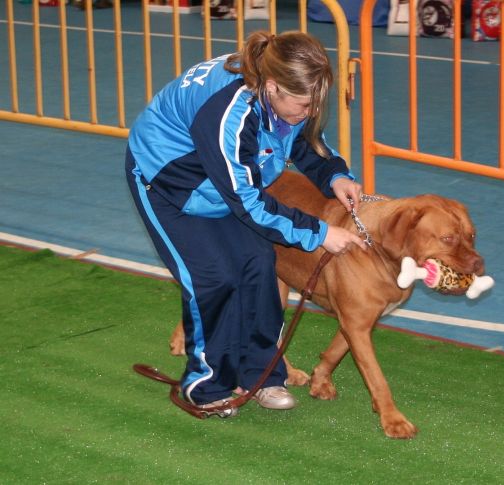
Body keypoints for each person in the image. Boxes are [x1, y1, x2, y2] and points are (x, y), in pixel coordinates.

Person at [125, 30, 367, 414]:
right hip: (168, 186)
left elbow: (300, 137)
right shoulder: (229, 113)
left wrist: (334, 174)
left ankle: (261, 375)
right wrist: (319, 233)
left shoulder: (280, 89)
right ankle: (205, 385)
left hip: (222, 184)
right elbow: (249, 203)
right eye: (303, 104)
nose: (308, 112)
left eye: (313, 104)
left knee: (258, 263)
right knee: (213, 278)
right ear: (272, 88)